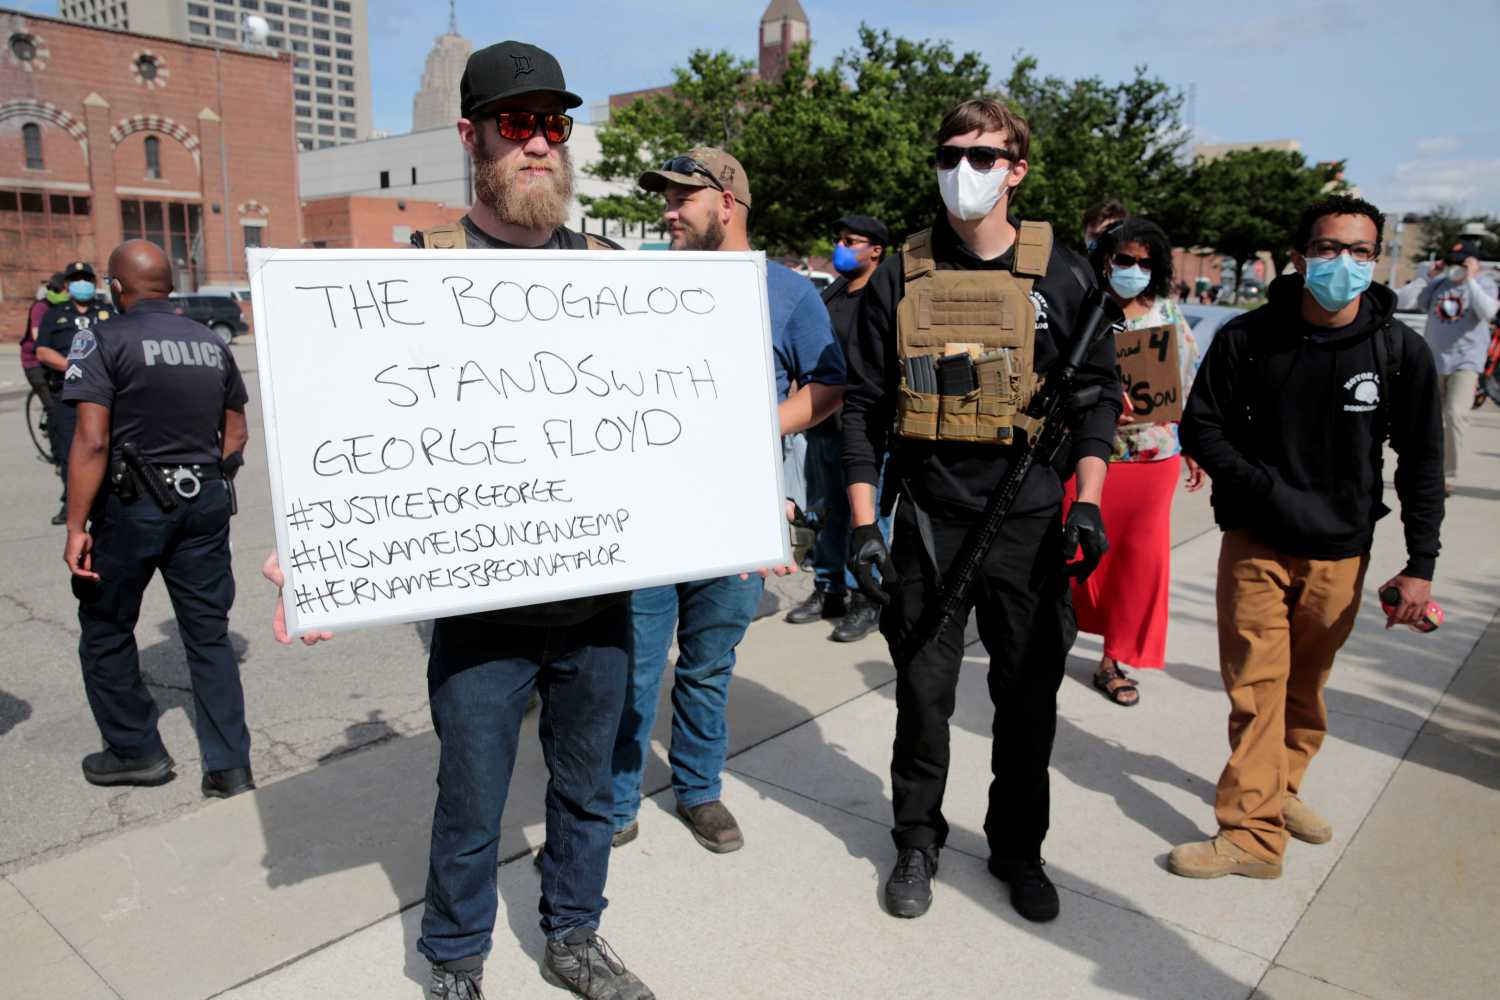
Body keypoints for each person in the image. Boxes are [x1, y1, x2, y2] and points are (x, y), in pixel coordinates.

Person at [265, 41, 656, 1000]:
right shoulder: (412, 276)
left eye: (552, 126)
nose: (537, 144)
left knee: (587, 791)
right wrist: (317, 548)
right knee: (473, 801)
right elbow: (353, 427)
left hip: (600, 600)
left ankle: (574, 935)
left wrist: (743, 502)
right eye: (516, 124)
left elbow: (668, 421)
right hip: (482, 613)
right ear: (471, 134)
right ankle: (454, 957)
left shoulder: (612, 271)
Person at [842, 98, 1121, 923]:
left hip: (1031, 520)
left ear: (1017, 169)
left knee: (1028, 702)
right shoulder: (901, 271)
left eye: (986, 155)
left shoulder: (1064, 273)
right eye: (952, 152)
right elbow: (861, 404)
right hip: (930, 518)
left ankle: (1016, 850)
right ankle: (916, 843)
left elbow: (1100, 397)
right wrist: (863, 520)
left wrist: (1090, 503)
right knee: (923, 701)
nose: (966, 169)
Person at [1173, 195, 1444, 879]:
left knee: (1305, 685)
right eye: (1329, 249)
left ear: (1377, 259)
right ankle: (1251, 836)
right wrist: (1260, 487)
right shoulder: (1247, 337)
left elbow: (1422, 459)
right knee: (1256, 686)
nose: (1344, 264)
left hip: (1342, 549)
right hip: (1256, 540)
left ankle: (1281, 787)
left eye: (1360, 252)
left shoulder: (1398, 351)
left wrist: (1421, 562)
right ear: (1299, 257)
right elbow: (1201, 425)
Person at [610, 148, 845, 854]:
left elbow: (830, 387)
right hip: (649, 516)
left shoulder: (789, 293)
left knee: (708, 668)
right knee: (632, 667)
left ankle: (699, 791)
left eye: (683, 198)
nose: (667, 210)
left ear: (727, 204)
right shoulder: (639, 285)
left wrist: (755, 428)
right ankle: (617, 799)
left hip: (735, 519)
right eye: (667, 198)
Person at [59, 239, 252, 798]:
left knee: (106, 627)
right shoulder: (209, 343)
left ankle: (135, 751)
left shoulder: (99, 337)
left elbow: (91, 441)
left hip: (133, 506)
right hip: (205, 501)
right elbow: (235, 432)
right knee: (209, 636)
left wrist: (76, 526)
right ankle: (229, 767)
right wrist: (204, 480)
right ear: (168, 285)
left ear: (116, 287)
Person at [1064, 217, 1205, 707]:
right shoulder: (1083, 308)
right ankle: (1058, 633)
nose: (1135, 269)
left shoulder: (1165, 311)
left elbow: (1188, 381)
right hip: (1087, 455)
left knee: (1138, 564)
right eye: (1125, 259)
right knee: (1072, 558)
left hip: (1151, 460)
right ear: (1105, 258)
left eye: (1146, 262)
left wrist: (1192, 444)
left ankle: (1113, 659)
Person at [784, 213, 889, 642]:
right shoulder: (833, 294)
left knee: (868, 515)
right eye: (839, 239)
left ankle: (869, 598)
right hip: (824, 424)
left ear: (876, 250)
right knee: (827, 510)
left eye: (852, 241)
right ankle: (829, 589)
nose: (841, 248)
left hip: (867, 426)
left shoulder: (887, 296)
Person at [1395, 231, 1499, 493]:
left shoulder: (1483, 285)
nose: (1457, 267)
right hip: (1435, 360)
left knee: (1455, 415)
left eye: (1462, 262)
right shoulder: (1440, 284)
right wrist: (1429, 275)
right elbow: (1412, 302)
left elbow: (1489, 312)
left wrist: (1472, 278)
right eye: (1453, 262)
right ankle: (1428, 469)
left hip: (1466, 362)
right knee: (1431, 420)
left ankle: (1447, 475)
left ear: (1473, 263)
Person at [36, 261, 113, 525]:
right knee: (70, 451)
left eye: (87, 279)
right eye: (77, 280)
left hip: (103, 393)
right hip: (67, 394)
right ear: (67, 286)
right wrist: (75, 365)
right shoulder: (53, 314)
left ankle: (106, 501)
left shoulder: (107, 312)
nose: (83, 284)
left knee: (105, 446)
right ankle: (72, 505)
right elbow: (42, 351)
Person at [21, 271, 67, 406]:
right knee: (53, 406)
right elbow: (37, 337)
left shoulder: (67, 306)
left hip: (58, 357)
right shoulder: (41, 307)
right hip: (34, 362)